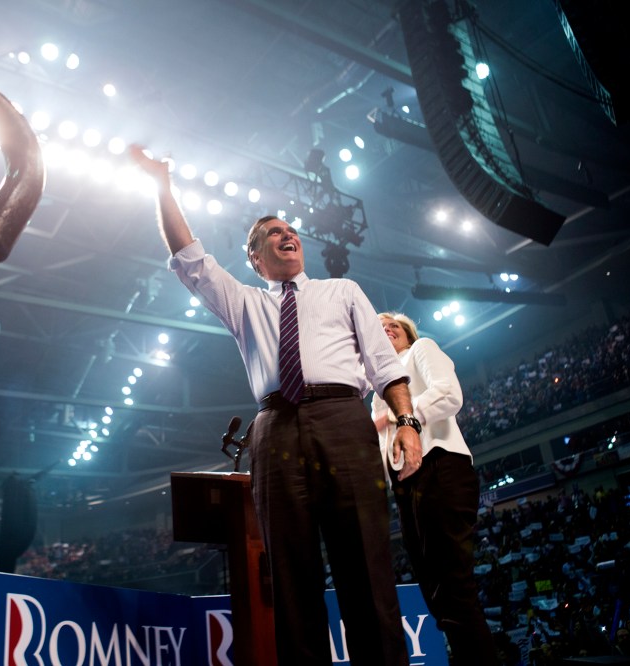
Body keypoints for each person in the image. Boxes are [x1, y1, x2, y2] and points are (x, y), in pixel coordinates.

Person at [129, 144, 423, 666]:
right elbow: (188, 259)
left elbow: (385, 366)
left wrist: (407, 423)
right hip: (275, 429)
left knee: (367, 566)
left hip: (342, 420)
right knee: (290, 575)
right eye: (273, 233)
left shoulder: (343, 291)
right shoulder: (245, 302)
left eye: (291, 230)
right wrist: (161, 184)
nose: (288, 235)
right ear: (255, 257)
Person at [371, 312, 498, 665]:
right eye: (379, 328)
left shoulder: (421, 349)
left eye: (394, 324)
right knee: (436, 592)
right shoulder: (377, 390)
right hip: (405, 485)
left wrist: (396, 418)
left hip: (441, 465)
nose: (388, 328)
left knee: (454, 586)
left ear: (408, 333)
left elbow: (448, 393)